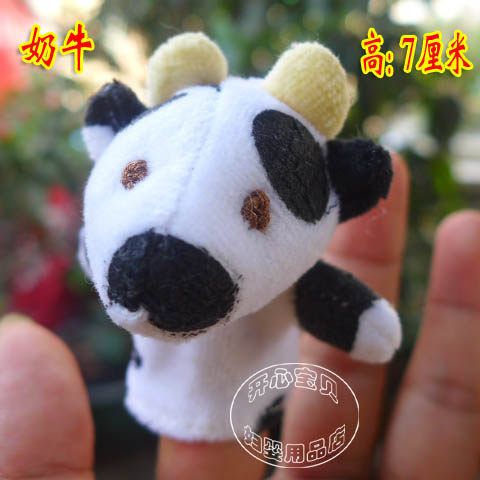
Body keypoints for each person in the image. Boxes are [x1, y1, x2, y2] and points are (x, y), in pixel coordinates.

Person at [1, 156, 479, 479]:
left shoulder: (284, 265)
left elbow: (329, 300)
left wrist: (356, 316)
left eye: (257, 211)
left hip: (258, 397)